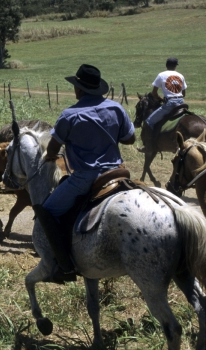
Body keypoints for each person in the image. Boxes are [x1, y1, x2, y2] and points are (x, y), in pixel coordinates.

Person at [34, 64, 136, 283]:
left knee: (48, 212)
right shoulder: (116, 109)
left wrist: (51, 156)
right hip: (117, 173)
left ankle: (65, 267)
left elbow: (52, 148)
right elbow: (130, 139)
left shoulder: (69, 115)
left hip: (85, 177)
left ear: (78, 89)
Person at [141, 57, 187, 150]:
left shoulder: (161, 75)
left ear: (166, 65)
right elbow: (183, 94)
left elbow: (154, 93)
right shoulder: (180, 76)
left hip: (170, 103)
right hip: (181, 102)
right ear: (175, 66)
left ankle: (149, 146)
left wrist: (161, 99)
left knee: (149, 121)